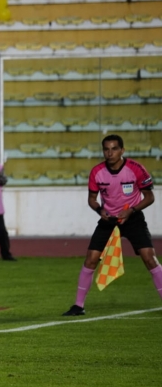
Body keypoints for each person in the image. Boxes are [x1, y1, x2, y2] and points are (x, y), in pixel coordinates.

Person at [63, 135, 162, 316]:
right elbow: (92, 200)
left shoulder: (136, 169)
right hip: (108, 220)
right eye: (106, 149)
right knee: (91, 259)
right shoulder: (97, 172)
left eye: (114, 149)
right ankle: (78, 305)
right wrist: (100, 210)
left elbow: (149, 197)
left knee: (149, 257)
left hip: (132, 218)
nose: (110, 153)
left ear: (122, 150)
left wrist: (131, 210)